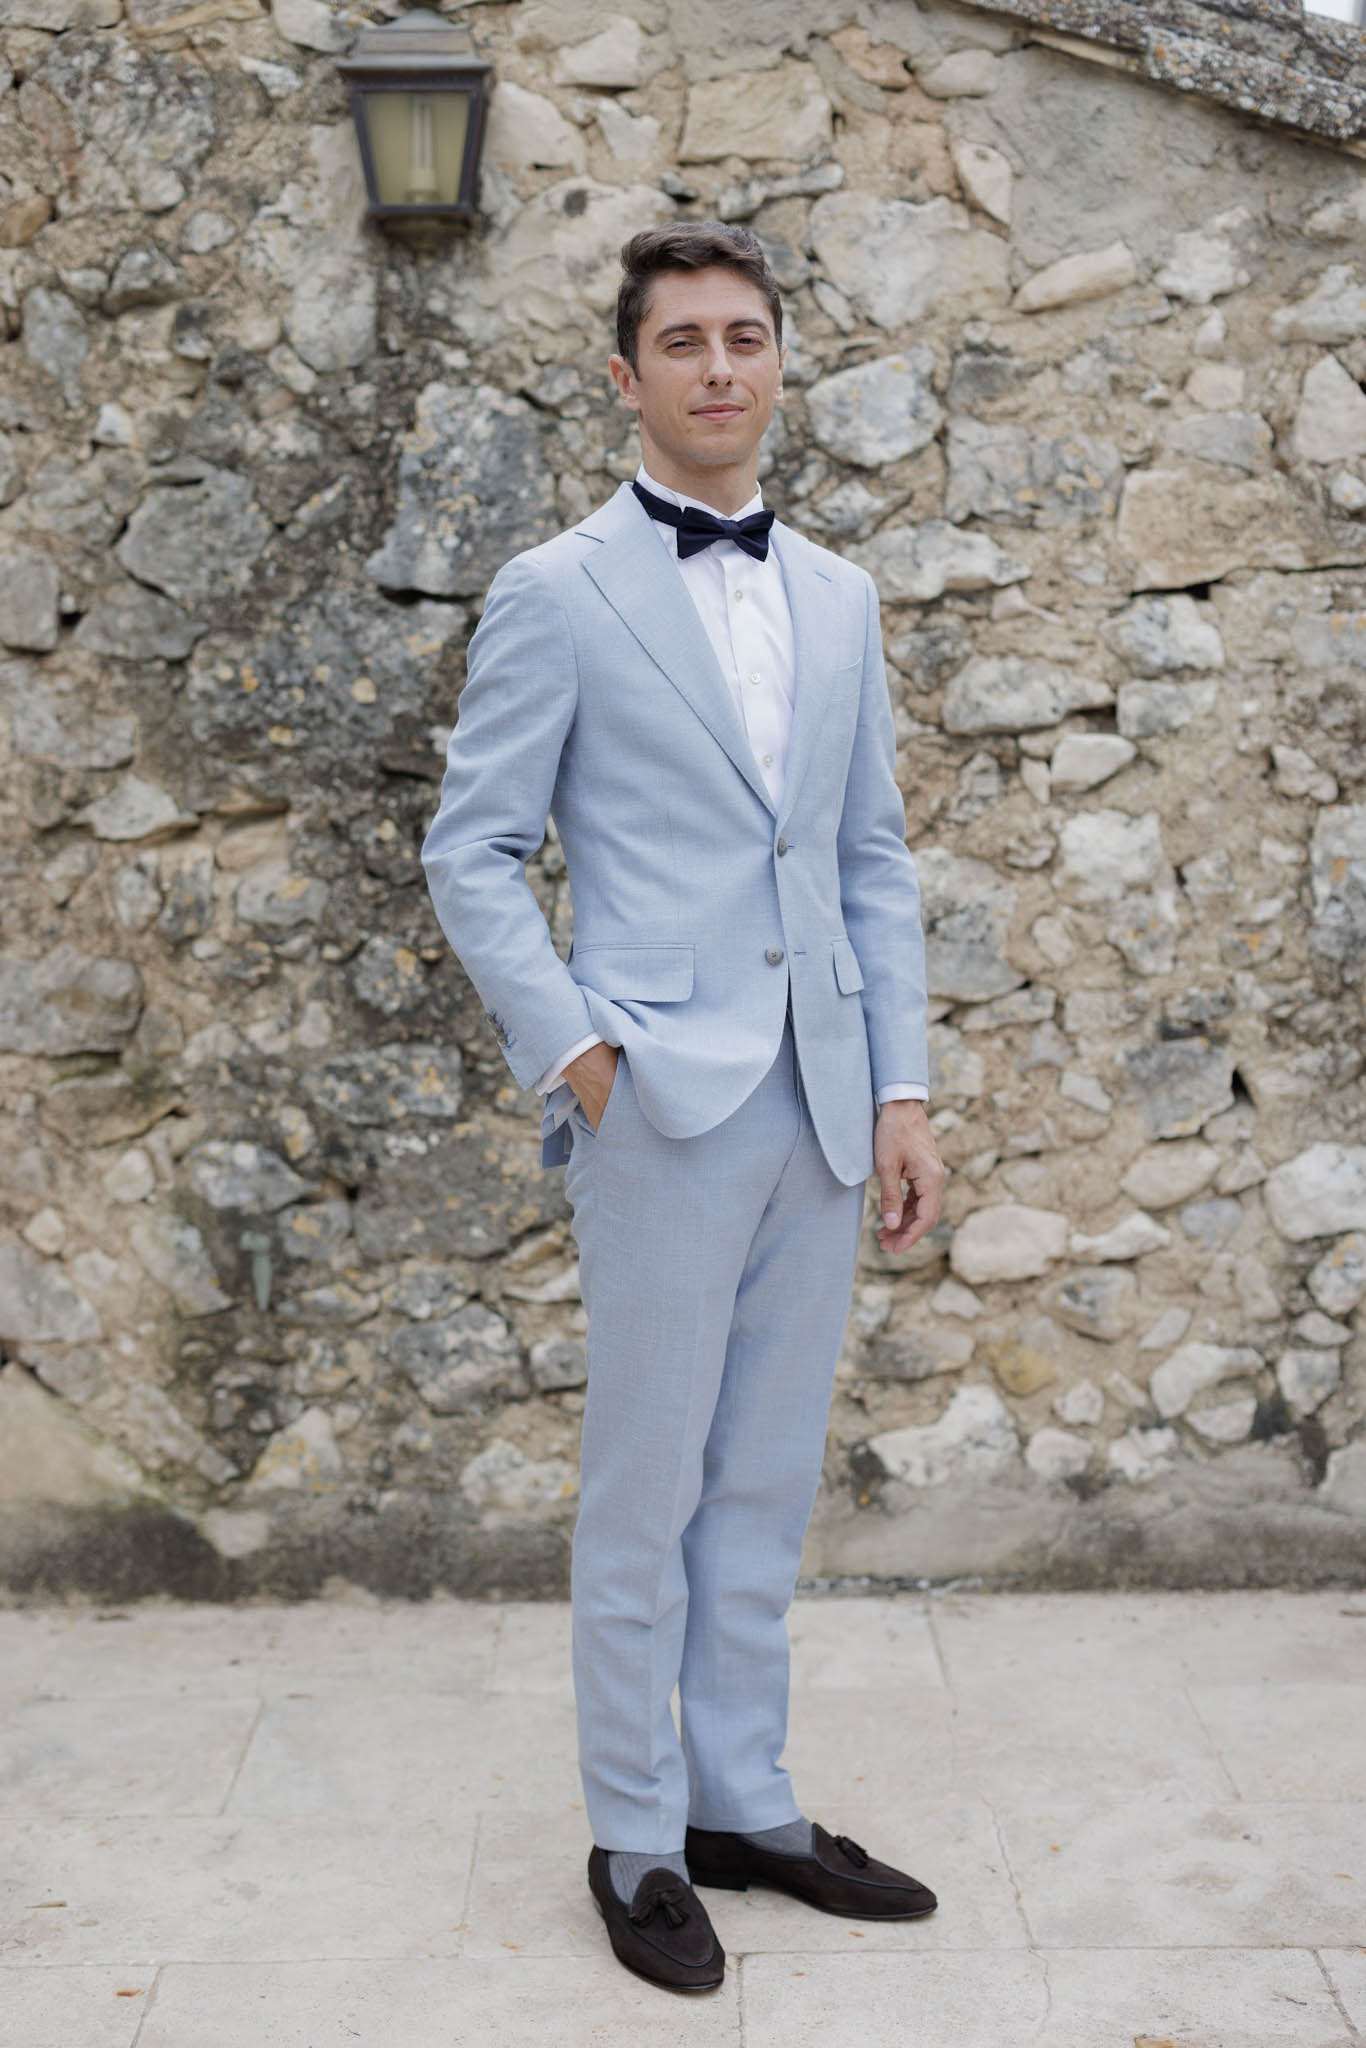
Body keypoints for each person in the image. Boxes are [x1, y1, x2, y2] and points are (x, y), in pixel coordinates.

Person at [421, 219, 945, 1993]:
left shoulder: (843, 597)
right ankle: (636, 1835)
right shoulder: (557, 589)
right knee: (644, 1489)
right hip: (655, 1096)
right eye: (684, 342)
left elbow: (868, 858)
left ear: (776, 360)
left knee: (764, 1482)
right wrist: (576, 1049)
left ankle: (747, 1804)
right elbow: (472, 849)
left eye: (746, 337)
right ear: (629, 373)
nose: (720, 368)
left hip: (816, 1099)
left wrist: (900, 1087)